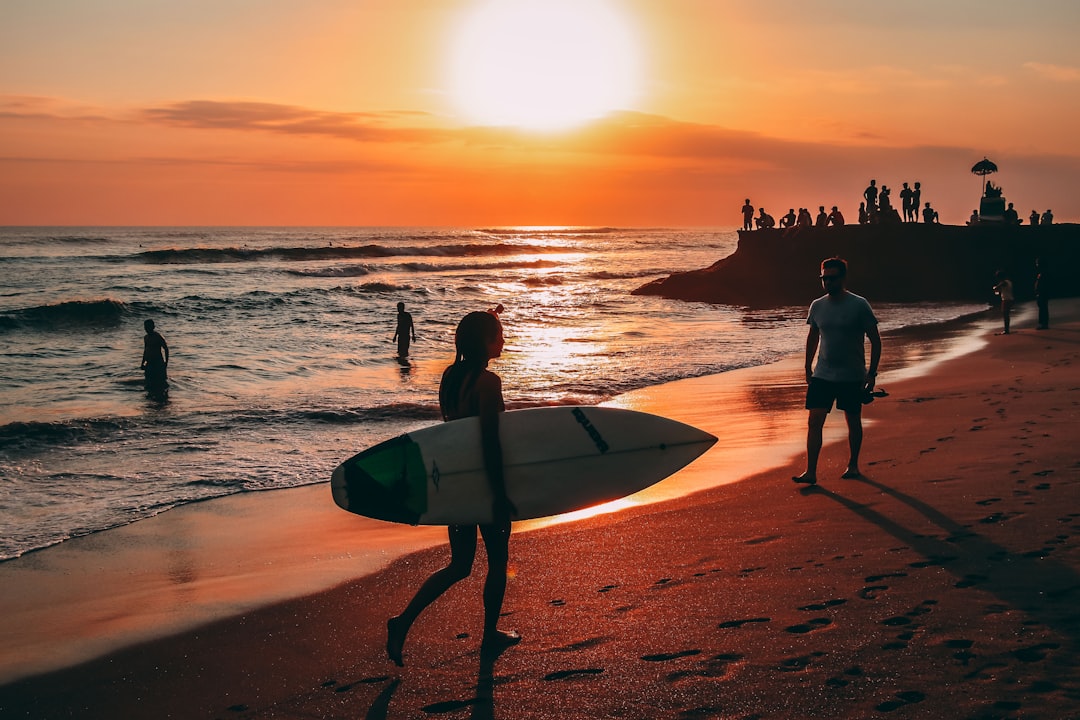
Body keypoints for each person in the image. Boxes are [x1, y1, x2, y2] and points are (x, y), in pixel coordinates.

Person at [386, 309, 520, 666]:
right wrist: (500, 493)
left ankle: (402, 621)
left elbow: (452, 432)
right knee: (498, 559)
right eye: (499, 334)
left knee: (459, 565)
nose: (503, 340)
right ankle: (490, 634)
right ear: (485, 342)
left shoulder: (449, 376)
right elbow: (490, 443)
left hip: (456, 483)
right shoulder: (488, 383)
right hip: (482, 484)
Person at [793, 258, 881, 486]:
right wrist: (807, 366)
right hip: (822, 374)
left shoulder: (859, 304)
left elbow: (875, 339)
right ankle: (810, 472)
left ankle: (853, 465)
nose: (827, 282)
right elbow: (813, 337)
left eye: (832, 278)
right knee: (814, 421)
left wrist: (871, 373)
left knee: (852, 420)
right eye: (824, 278)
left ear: (842, 278)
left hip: (852, 375)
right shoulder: (817, 305)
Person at [140, 319, 169, 395]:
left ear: (153, 327)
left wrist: (166, 363)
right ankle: (151, 399)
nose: (146, 329)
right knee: (149, 382)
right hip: (149, 363)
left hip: (158, 362)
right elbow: (145, 350)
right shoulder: (146, 337)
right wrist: (142, 363)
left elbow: (166, 349)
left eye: (148, 327)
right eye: (145, 327)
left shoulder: (158, 337)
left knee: (161, 382)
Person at [992, 270, 1014, 335]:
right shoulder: (1009, 282)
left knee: (1005, 315)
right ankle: (1006, 329)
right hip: (1010, 299)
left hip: (1006, 300)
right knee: (1006, 315)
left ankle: (1006, 330)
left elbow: (997, 288)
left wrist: (994, 288)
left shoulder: (1004, 282)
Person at [1035, 258, 1050, 330]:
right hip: (1042, 293)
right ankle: (1043, 323)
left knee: (1043, 308)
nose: (1036, 265)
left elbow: (1043, 284)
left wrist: (1039, 292)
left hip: (1042, 293)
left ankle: (1043, 324)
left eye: (1037, 264)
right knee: (1043, 308)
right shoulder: (1042, 273)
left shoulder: (1043, 273)